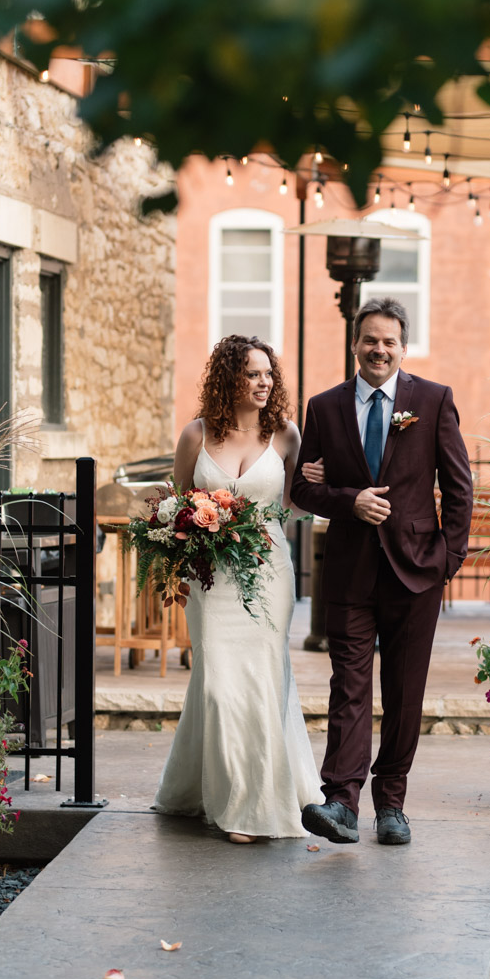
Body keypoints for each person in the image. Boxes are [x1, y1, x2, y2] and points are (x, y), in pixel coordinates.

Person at [290, 296, 473, 846]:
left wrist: (449, 559)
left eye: (389, 341)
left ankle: (391, 804)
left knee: (404, 691)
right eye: (370, 339)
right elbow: (302, 487)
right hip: (348, 573)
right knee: (348, 685)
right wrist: (349, 501)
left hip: (416, 572)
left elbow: (459, 485)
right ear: (354, 344)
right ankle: (341, 801)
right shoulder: (323, 408)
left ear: (403, 347)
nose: (379, 349)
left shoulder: (433, 401)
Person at [153, 335, 322, 842]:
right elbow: (178, 506)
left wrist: (315, 481)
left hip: (268, 573)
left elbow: (296, 505)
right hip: (211, 578)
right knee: (218, 687)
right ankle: (214, 788)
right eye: (252, 373)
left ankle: (253, 807)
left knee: (263, 682)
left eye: (268, 373)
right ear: (229, 378)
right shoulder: (195, 435)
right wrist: (176, 531)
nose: (264, 382)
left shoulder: (287, 435)